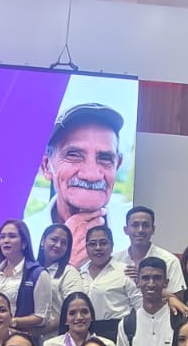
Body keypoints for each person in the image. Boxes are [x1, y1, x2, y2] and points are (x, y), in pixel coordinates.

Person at [28, 102, 126, 267]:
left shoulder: (135, 233)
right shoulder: (24, 237)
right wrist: (66, 262)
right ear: (46, 166)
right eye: (74, 155)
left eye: (105, 158)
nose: (92, 175)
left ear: (117, 165)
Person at [0, 218, 55, 338]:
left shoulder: (38, 273)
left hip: (20, 338)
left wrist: (11, 322)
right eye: (2, 237)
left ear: (24, 243)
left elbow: (42, 317)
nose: (6, 241)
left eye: (12, 236)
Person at [79, 225, 142, 341]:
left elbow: (140, 305)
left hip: (117, 332)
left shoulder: (126, 271)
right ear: (86, 248)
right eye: (92, 244)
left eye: (103, 243)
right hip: (85, 331)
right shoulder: (79, 273)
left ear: (112, 246)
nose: (98, 248)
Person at [116, 257, 178, 346]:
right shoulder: (127, 324)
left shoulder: (178, 319)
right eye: (145, 278)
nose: (151, 284)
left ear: (166, 282)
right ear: (137, 282)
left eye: (157, 278)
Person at [43, 290, 116, 346]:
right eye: (72, 313)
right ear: (65, 319)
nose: (79, 317)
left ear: (92, 316)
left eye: (84, 312)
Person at [115, 206, 185, 292]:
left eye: (145, 225)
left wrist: (145, 281)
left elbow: (177, 297)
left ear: (153, 230)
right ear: (126, 230)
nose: (140, 230)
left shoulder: (169, 261)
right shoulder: (114, 260)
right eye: (135, 225)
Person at [37, 223, 84, 333]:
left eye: (64, 243)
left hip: (57, 336)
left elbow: (74, 308)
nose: (58, 245)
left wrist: (43, 330)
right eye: (54, 239)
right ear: (43, 241)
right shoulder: (31, 269)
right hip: (27, 336)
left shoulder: (69, 272)